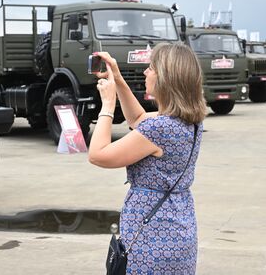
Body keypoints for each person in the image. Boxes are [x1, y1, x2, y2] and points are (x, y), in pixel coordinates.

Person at [88, 43, 207, 274]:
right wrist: (118, 78)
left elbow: (98, 155)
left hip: (151, 237)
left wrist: (108, 105)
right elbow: (138, 118)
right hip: (179, 230)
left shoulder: (159, 129)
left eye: (151, 67)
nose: (145, 72)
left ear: (165, 78)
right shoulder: (190, 121)